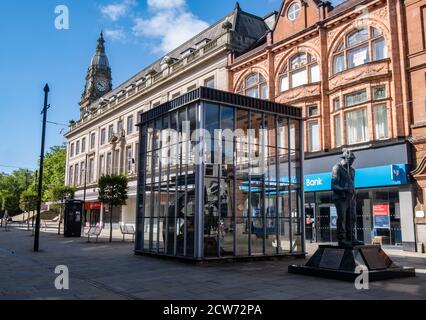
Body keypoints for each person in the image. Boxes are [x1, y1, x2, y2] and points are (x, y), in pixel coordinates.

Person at [331, 149, 364, 247]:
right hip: (341, 198)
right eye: (350, 160)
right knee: (342, 218)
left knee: (352, 218)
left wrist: (353, 191)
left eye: (353, 160)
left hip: (351, 198)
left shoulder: (352, 170)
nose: (352, 162)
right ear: (344, 158)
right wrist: (343, 189)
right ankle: (342, 239)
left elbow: (352, 184)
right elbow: (333, 185)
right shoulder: (337, 168)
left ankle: (351, 237)